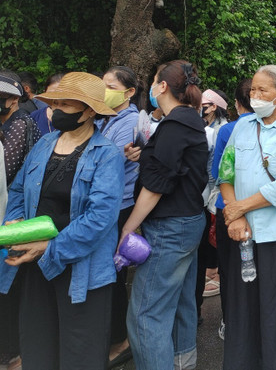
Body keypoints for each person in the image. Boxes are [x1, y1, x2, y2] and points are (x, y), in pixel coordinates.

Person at [0, 72, 124, 370]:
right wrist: (18, 228)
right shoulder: (44, 144)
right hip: (36, 266)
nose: (55, 110)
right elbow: (18, 190)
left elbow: (100, 218)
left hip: (82, 270)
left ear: (89, 111)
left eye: (65, 104)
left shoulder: (106, 154)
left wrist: (48, 246)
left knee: (79, 353)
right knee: (38, 347)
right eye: (53, 103)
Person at [218, 65, 276, 370]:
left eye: (263, 91)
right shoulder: (243, 126)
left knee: (274, 314)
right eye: (253, 90)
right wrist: (234, 217)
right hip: (240, 233)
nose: (254, 96)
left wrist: (240, 208)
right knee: (240, 314)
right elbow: (226, 172)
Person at [123, 60, 208, 370]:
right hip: (189, 221)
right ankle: (181, 363)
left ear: (162, 87)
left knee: (146, 314)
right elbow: (176, 164)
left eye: (154, 81)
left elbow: (157, 186)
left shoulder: (174, 124)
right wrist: (145, 154)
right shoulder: (190, 120)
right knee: (181, 301)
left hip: (170, 227)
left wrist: (128, 229)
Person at [100, 66, 142, 366]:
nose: (105, 90)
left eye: (111, 85)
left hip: (120, 204)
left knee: (114, 274)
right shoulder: (108, 118)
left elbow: (105, 162)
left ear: (129, 92)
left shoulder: (128, 122)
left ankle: (121, 339)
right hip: (110, 204)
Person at [0, 72, 42, 369]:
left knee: (8, 287)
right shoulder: (9, 124)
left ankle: (12, 354)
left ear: (14, 100)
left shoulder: (18, 126)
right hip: (11, 213)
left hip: (14, 217)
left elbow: (7, 171)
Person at [210, 77, 253, 341]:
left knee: (228, 269)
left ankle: (230, 320)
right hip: (258, 207)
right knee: (252, 268)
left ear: (236, 104)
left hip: (227, 208)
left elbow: (217, 173)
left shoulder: (227, 131)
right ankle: (251, 320)